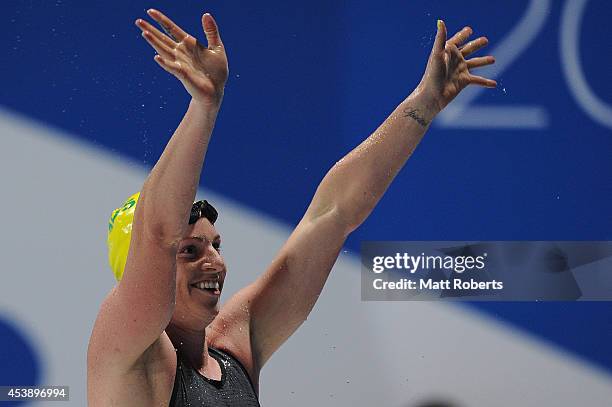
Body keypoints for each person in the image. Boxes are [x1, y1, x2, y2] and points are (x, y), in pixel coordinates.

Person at [87, 8, 496, 406]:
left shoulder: (236, 346)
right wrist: (203, 108)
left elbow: (333, 213)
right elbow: (158, 235)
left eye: (215, 245)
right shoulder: (129, 351)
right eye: (190, 251)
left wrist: (423, 104)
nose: (213, 261)